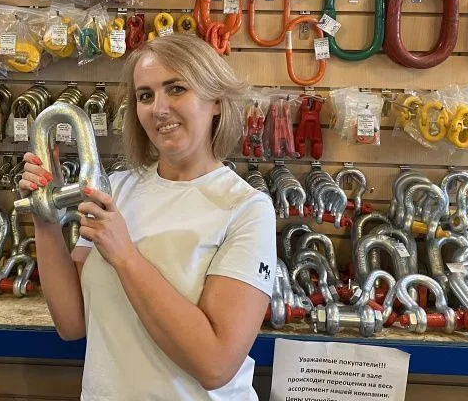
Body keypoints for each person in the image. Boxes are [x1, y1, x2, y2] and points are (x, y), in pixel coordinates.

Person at [18, 34, 277, 400]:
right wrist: (44, 218)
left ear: (216, 100)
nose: (159, 108)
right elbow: (72, 323)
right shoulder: (116, 188)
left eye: (176, 89)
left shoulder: (246, 209)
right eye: (145, 95)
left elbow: (216, 365)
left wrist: (126, 256)